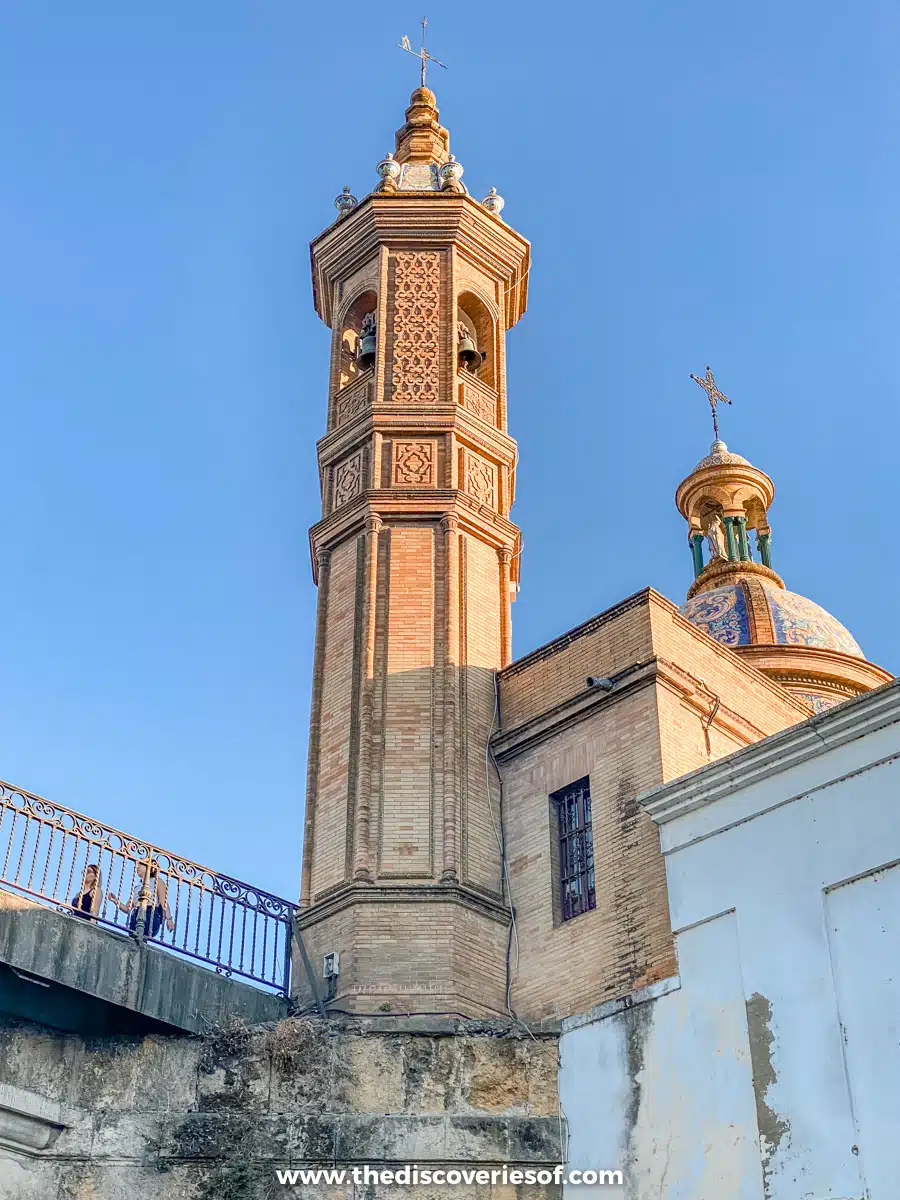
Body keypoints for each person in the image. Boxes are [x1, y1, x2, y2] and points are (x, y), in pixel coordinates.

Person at [107, 859, 175, 939]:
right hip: (135, 915)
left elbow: (164, 902)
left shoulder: (157, 881)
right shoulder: (137, 888)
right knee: (134, 938)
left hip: (150, 913)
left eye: (140, 864)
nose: (137, 867)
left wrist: (169, 919)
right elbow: (127, 908)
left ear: (150, 867)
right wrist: (115, 901)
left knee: (142, 937)